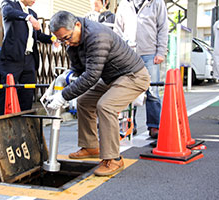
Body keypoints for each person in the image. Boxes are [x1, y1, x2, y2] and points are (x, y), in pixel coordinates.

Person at [47, 11, 150, 176]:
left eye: (66, 38)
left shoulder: (97, 36)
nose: (66, 42)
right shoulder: (73, 40)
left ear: (78, 25)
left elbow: (91, 76)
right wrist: (61, 81)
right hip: (112, 77)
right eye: (61, 40)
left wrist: (64, 95)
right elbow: (78, 69)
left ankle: (114, 158)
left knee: (106, 106)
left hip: (133, 75)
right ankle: (90, 146)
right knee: (84, 102)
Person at [113, 0, 168, 138]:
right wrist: (118, 53)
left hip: (150, 52)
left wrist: (161, 51)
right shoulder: (124, 3)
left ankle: (154, 126)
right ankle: (130, 125)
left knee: (152, 91)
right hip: (128, 53)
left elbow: (163, 27)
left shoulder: (156, 2)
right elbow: (118, 30)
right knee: (128, 90)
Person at [0, 0, 56, 115]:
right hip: (12, 59)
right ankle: (0, 127)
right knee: (6, 95)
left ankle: (24, 128)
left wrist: (53, 39)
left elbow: (38, 35)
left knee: (27, 95)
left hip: (29, 60)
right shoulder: (9, 4)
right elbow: (8, 12)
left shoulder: (33, 13)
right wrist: (28, 17)